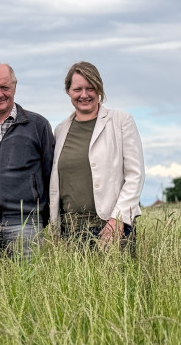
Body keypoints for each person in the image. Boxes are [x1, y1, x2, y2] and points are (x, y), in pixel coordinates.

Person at [49, 61, 145, 249]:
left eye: (90, 88)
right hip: (71, 230)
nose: (84, 95)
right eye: (77, 89)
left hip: (111, 227)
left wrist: (117, 220)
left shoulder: (120, 121)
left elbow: (135, 175)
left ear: (99, 89)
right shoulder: (60, 130)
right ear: (68, 91)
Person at [0, 64, 55, 259]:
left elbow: (50, 174)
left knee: (28, 287)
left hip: (26, 225)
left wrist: (47, 219)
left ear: (14, 88)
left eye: (5, 87)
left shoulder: (37, 125)